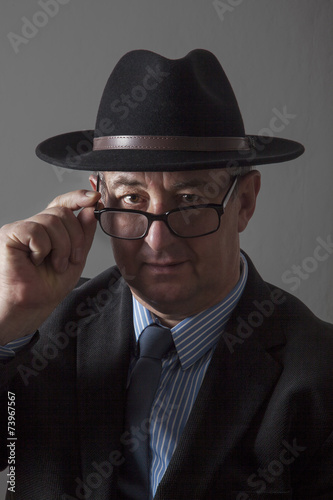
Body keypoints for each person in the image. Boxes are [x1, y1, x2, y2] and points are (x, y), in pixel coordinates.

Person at [0, 49, 332, 500]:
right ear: (97, 198)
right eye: (133, 200)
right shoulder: (36, 327)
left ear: (246, 201)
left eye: (191, 199)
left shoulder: (319, 372)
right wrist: (7, 325)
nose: (157, 242)